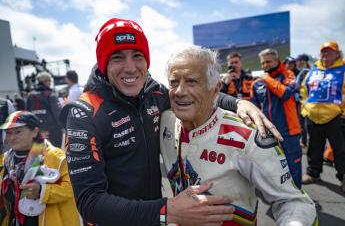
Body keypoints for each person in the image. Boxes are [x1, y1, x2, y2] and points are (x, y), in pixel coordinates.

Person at [59, 17, 282, 226]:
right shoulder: (84, 114)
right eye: (117, 57)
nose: (130, 67)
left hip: (156, 218)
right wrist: (168, 210)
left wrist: (238, 104)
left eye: (137, 55)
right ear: (103, 63)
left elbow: (193, 94)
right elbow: (89, 203)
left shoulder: (153, 92)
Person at [160, 45, 317, 226]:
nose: (179, 91)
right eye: (174, 82)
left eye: (192, 81)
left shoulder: (247, 136)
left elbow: (293, 201)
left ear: (215, 89)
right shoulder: (163, 120)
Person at [0, 111, 81, 226]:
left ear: (35, 131)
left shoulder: (57, 157)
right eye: (8, 133)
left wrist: (41, 191)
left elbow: (73, 188)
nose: (12, 137)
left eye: (18, 132)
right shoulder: (5, 160)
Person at [251, 48, 302, 188]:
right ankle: (279, 198)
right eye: (262, 63)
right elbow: (253, 107)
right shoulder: (256, 83)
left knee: (293, 167)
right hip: (268, 133)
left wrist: (267, 79)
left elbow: (285, 93)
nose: (265, 65)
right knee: (272, 168)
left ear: (276, 60)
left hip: (289, 132)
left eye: (268, 62)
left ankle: (297, 199)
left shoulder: (288, 74)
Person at [300, 41, 345, 192]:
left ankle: (343, 177)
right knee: (314, 147)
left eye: (330, 52)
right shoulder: (313, 70)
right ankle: (313, 173)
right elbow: (304, 90)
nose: (325, 55)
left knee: (340, 150)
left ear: (337, 54)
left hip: (336, 118)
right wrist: (305, 109)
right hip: (312, 117)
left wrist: (342, 113)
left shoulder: (343, 69)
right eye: (323, 52)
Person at [26, 72, 63, 148]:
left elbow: (27, 113)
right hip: (52, 131)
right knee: (55, 153)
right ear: (45, 81)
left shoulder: (30, 95)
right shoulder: (50, 95)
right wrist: (62, 127)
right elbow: (57, 113)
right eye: (49, 81)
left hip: (36, 131)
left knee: (39, 154)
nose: (50, 83)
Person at [295, 54, 311, 147]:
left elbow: (300, 87)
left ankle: (304, 141)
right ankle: (304, 140)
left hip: (303, 102)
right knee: (303, 123)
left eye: (298, 60)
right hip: (303, 101)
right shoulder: (303, 71)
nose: (296, 62)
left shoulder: (305, 72)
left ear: (302, 61)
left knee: (303, 123)